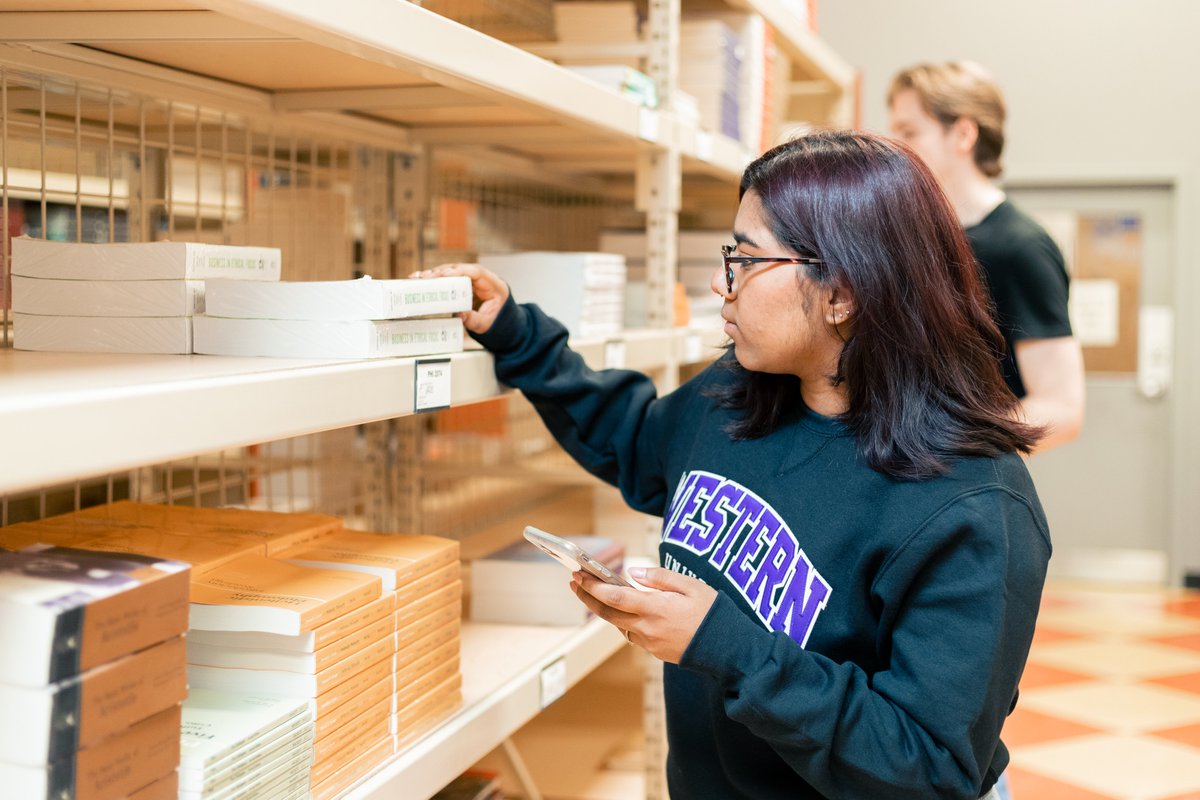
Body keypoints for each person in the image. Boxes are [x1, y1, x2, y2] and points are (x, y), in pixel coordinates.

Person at [418, 131, 1050, 800]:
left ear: (842, 291)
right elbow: (634, 437)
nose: (720, 284)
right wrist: (517, 334)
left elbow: (928, 766)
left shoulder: (973, 506)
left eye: (745, 259)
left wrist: (723, 645)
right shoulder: (738, 395)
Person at [888, 61, 1085, 453]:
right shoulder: (912, 237)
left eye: (909, 133)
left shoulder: (1021, 247)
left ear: (962, 134)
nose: (896, 148)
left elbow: (1061, 408)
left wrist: (949, 455)